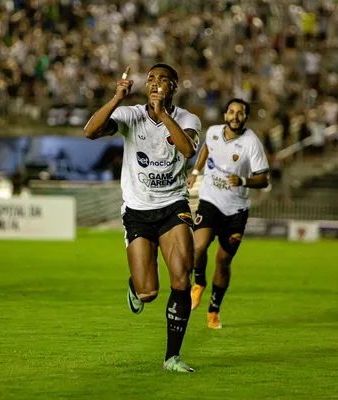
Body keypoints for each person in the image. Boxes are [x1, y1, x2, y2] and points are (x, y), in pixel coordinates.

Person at [84, 64, 201, 373]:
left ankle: (171, 357)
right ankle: (136, 286)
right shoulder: (130, 115)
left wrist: (163, 115)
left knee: (181, 278)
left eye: (163, 79)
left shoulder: (188, 119)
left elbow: (188, 150)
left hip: (173, 205)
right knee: (148, 292)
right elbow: (90, 131)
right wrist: (115, 99)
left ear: (174, 87)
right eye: (151, 79)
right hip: (137, 211)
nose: (155, 83)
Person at [187, 98, 269, 329]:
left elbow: (263, 179)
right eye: (231, 112)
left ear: (245, 117)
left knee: (223, 262)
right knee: (198, 247)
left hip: (236, 211)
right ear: (225, 115)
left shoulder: (252, 143)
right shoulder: (213, 132)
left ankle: (214, 311)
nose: (235, 116)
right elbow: (206, 148)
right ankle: (199, 283)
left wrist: (243, 180)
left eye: (240, 113)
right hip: (210, 201)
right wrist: (195, 171)